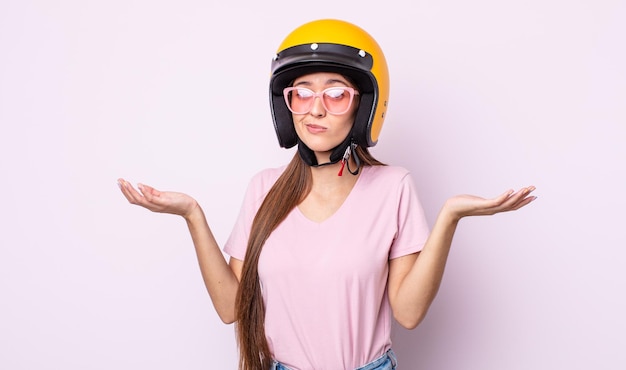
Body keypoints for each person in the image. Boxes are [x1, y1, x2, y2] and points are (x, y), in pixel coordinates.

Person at [117, 19, 536, 370]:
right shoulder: (264, 188)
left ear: (364, 106)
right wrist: (192, 214)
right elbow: (230, 307)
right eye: (302, 92)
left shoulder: (394, 186)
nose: (316, 109)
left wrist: (450, 217)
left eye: (336, 94)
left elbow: (408, 314)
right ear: (287, 105)